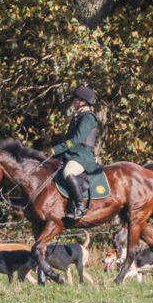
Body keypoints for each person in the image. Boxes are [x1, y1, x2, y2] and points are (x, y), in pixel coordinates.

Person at [52, 86, 100, 221]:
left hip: (82, 156)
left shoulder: (88, 117)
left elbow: (76, 140)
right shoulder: (78, 116)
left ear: (83, 101)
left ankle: (80, 208)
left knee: (68, 172)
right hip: (73, 154)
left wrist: (56, 149)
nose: (73, 101)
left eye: (75, 98)